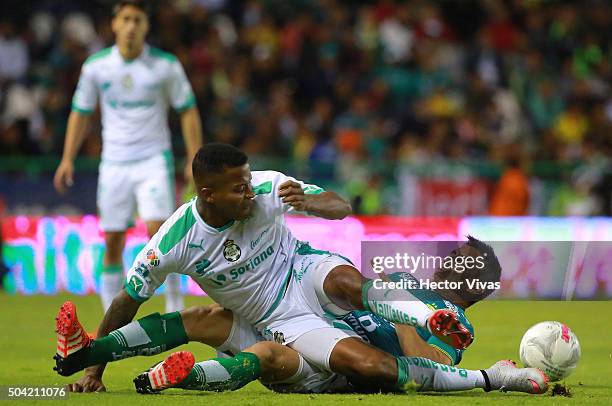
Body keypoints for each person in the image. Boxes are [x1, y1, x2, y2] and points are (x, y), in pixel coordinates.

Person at [55, 143, 492, 394]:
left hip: (302, 272)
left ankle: (420, 319)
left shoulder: (268, 187)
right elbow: (126, 299)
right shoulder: (173, 243)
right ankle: (91, 356)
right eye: (238, 187)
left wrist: (310, 203)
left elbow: (340, 206)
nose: (251, 192)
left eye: (249, 180)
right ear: (208, 194)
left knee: (344, 278)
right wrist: (94, 374)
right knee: (204, 320)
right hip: (278, 319)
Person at [53, 0, 203, 312]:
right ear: (115, 24)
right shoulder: (96, 67)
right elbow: (80, 113)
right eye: (126, 19)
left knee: (160, 234)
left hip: (153, 161)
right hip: (114, 163)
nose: (131, 26)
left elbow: (187, 110)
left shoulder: (165, 66)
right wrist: (67, 157)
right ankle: (111, 314)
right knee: (112, 240)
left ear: (146, 25)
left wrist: (193, 156)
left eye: (137, 19)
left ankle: (175, 307)